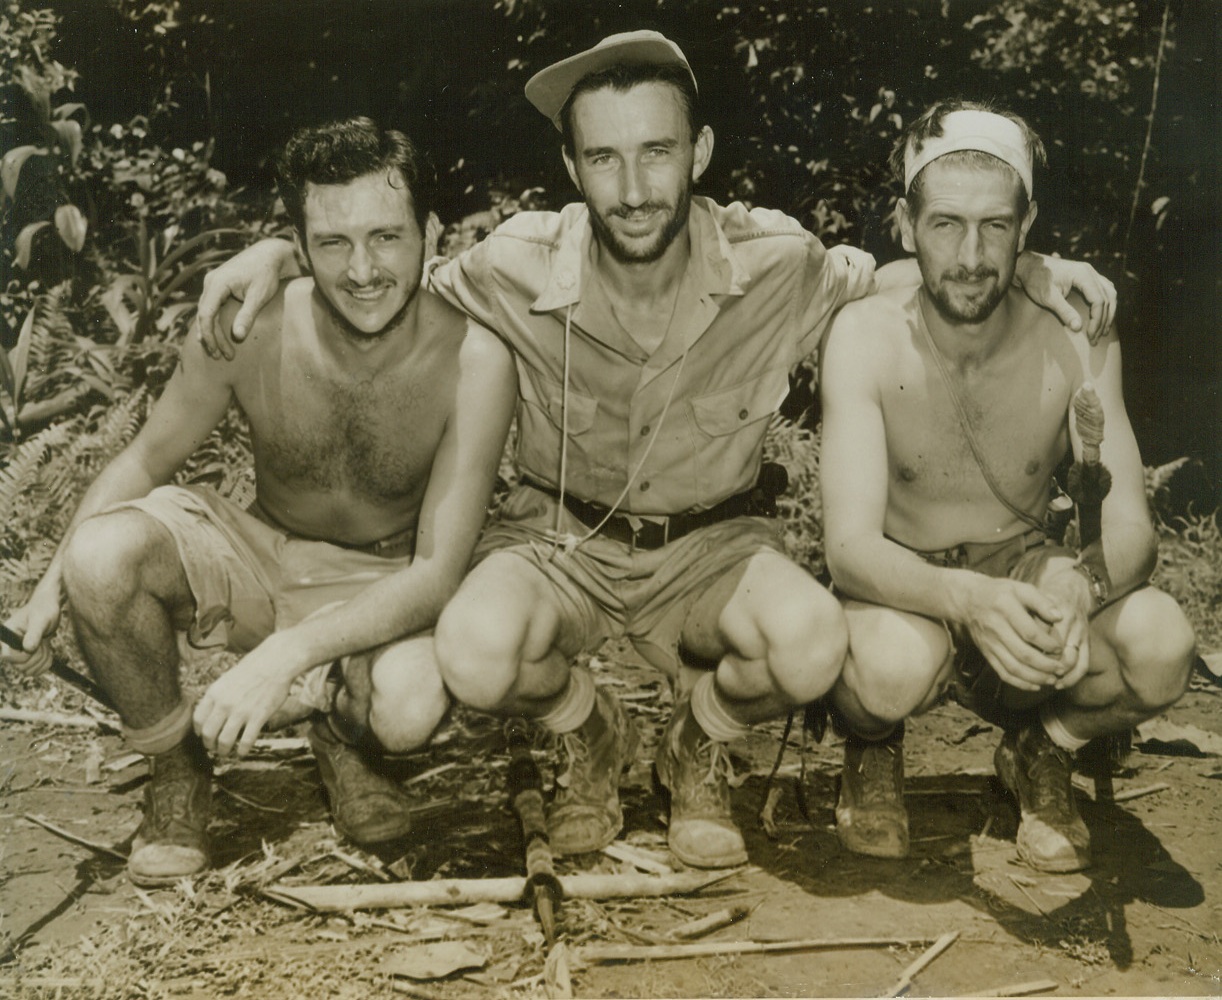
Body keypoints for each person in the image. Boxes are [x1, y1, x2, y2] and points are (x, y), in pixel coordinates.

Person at [194, 33, 1116, 870]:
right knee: (472, 652)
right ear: (570, 166)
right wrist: (277, 254)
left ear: (699, 154)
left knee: (810, 641)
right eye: (603, 157)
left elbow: (904, 270)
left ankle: (696, 743)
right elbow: (379, 273)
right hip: (557, 543)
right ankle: (584, 733)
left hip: (714, 549)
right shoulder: (513, 264)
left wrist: (1032, 267)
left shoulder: (774, 261)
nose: (632, 189)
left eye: (656, 152)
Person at [0, 118, 517, 886]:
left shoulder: (476, 359)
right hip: (260, 552)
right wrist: (49, 591)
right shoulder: (248, 327)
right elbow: (147, 455)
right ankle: (177, 770)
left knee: (405, 709)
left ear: (430, 233)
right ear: (298, 248)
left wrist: (288, 657)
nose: (364, 269)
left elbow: (438, 573)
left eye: (386, 237)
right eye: (333, 243)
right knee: (98, 559)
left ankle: (344, 735)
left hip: (389, 579)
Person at [819, 99, 1196, 871]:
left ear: (1027, 227)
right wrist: (966, 602)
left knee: (1160, 645)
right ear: (904, 223)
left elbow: (1131, 529)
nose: (970, 255)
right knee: (886, 669)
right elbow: (850, 550)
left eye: (996, 227)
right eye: (945, 224)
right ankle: (871, 746)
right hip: (905, 588)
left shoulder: (1074, 332)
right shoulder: (866, 333)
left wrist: (1082, 590)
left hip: (1021, 567)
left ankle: (1040, 751)